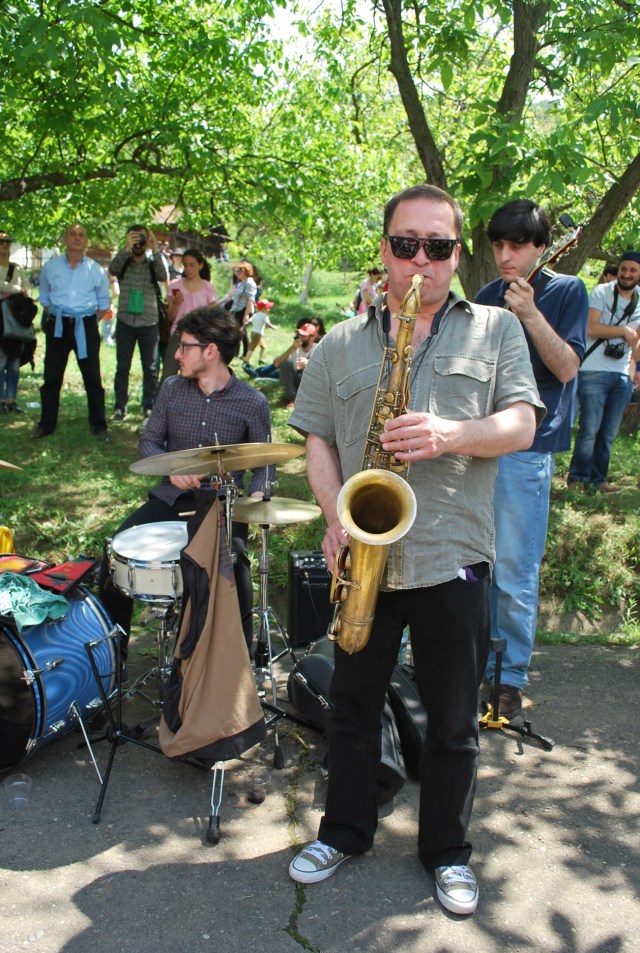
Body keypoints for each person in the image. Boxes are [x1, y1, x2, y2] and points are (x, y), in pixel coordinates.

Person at [287, 184, 543, 916]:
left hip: (452, 554)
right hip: (366, 559)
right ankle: (344, 830)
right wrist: (338, 517)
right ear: (384, 251)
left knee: (454, 719)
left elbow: (522, 424)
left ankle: (447, 852)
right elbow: (317, 441)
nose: (420, 261)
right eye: (406, 245)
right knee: (350, 707)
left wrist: (451, 434)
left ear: (457, 255)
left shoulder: (495, 328)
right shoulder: (339, 343)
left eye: (437, 246)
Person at [98, 307, 272, 660]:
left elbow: (265, 468)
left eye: (185, 346)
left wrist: (255, 502)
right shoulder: (173, 389)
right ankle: (111, 659)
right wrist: (173, 466)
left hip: (222, 506)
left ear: (211, 351)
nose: (177, 354)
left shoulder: (253, 403)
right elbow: (148, 443)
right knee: (114, 556)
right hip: (170, 498)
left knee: (236, 567)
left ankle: (238, 664)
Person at [474, 200, 588, 718]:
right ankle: (470, 664)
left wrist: (529, 313)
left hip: (527, 451)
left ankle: (510, 677)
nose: (505, 255)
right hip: (478, 443)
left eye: (517, 246)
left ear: (543, 249)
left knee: (514, 571)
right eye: (498, 245)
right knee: (470, 566)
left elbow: (566, 368)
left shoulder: (566, 291)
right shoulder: (485, 296)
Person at [567, 250, 640, 492]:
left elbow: (637, 340)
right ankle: (577, 479)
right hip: (594, 370)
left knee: (608, 433)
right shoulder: (601, 292)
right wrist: (623, 331)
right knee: (589, 428)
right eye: (624, 269)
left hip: (622, 374)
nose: (627, 274)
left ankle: (598, 481)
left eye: (632, 270)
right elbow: (590, 328)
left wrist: (636, 368)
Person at [34, 223, 111, 440]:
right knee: (52, 377)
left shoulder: (96, 269)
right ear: (65, 238)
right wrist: (61, 316)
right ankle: (46, 424)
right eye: (73, 234)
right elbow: (45, 298)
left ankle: (99, 425)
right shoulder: (51, 267)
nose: (77, 238)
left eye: (81, 235)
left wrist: (88, 322)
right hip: (58, 325)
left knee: (93, 378)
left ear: (86, 241)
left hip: (85, 326)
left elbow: (104, 303)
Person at [108, 225, 168, 422]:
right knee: (122, 367)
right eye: (134, 237)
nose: (138, 242)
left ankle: (148, 407)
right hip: (125, 320)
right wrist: (126, 248)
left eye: (142, 237)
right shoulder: (124, 261)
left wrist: (155, 249)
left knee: (150, 368)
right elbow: (113, 270)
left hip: (148, 322)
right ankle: (120, 407)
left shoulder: (153, 262)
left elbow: (163, 276)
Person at [161, 248, 217, 379]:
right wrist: (175, 304)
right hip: (178, 333)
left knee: (196, 376)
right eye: (185, 265)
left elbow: (212, 318)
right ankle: (162, 399)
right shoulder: (175, 286)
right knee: (169, 374)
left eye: (192, 265)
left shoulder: (208, 288)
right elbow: (170, 317)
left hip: (200, 336)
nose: (188, 269)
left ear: (200, 265)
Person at [244, 321, 318, 408]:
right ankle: (293, 399)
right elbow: (276, 363)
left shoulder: (317, 348)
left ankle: (303, 400)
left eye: (304, 336)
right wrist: (291, 349)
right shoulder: (295, 347)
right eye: (300, 334)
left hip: (310, 384)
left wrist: (309, 363)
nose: (300, 337)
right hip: (295, 381)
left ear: (312, 337)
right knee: (285, 364)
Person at [0, 231, 32, 414]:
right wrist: (17, 289)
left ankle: (11, 399)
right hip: (0, 321)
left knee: (14, 362)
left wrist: (14, 291)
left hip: (15, 320)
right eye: (1, 241)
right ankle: (1, 399)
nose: (4, 245)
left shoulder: (17, 268)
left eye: (7, 242)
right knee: (0, 361)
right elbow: (20, 289)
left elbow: (28, 290)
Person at [230, 261, 257, 357]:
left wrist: (246, 315)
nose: (237, 273)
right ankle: (238, 352)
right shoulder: (241, 283)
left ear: (246, 271)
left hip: (244, 309)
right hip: (237, 309)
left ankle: (244, 352)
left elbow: (250, 299)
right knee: (239, 331)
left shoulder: (249, 283)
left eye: (240, 271)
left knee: (241, 331)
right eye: (237, 271)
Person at [245, 300, 277, 365]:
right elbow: (268, 324)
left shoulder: (255, 315)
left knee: (263, 346)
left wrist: (243, 327)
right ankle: (246, 361)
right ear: (264, 309)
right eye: (268, 308)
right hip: (258, 334)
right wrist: (274, 327)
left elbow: (248, 322)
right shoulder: (264, 316)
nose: (269, 309)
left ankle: (261, 359)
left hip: (254, 333)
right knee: (252, 348)